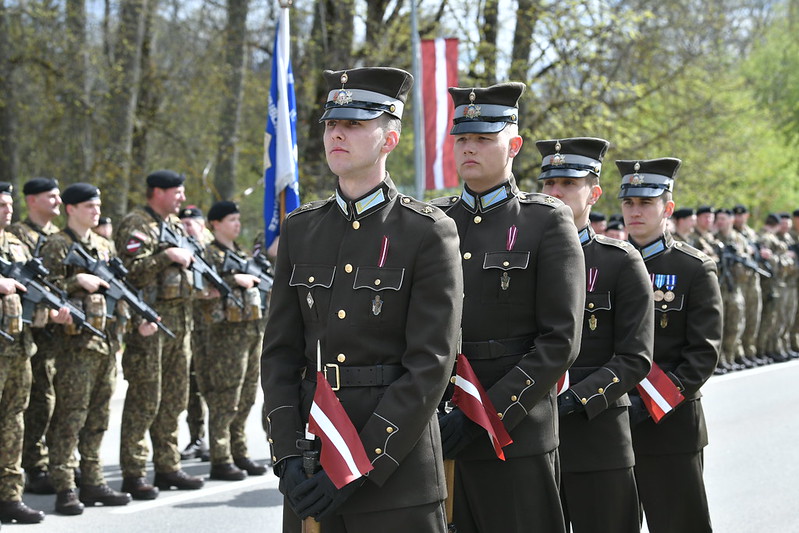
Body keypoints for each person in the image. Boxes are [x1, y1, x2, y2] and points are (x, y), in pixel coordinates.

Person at [262, 66, 463, 533]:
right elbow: (280, 354)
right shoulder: (301, 228)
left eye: (353, 124)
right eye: (332, 123)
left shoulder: (427, 231)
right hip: (312, 461)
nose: (337, 133)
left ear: (389, 139)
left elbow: (431, 363)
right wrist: (286, 454)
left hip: (395, 471)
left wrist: (360, 462)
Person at [430, 83, 584, 533]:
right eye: (462, 138)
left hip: (515, 430)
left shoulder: (546, 220)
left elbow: (560, 341)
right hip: (440, 428)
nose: (468, 148)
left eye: (483, 138)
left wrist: (485, 414)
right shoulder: (434, 221)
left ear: (513, 146)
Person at [537, 137, 653, 533]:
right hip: (532, 437)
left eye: (569, 183)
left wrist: (575, 399)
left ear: (594, 193)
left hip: (597, 435)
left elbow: (635, 357)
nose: (556, 192)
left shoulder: (620, 262)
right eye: (549, 183)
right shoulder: (524, 259)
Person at [618, 158, 722, 533]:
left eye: (646, 203)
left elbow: (702, 354)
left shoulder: (694, 268)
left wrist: (650, 401)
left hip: (670, 425)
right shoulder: (605, 262)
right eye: (629, 203)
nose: (635, 211)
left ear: (668, 208)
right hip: (610, 423)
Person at [41, 183, 157, 515]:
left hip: (106, 343)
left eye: (98, 205)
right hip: (74, 346)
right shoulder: (57, 244)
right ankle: (65, 486)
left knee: (98, 417)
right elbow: (44, 288)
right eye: (89, 206)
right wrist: (75, 282)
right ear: (71, 209)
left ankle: (93, 480)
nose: (96, 211)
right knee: (70, 417)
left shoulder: (104, 245)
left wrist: (139, 321)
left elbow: (120, 290)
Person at [115, 170, 204, 500]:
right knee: (145, 400)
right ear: (158, 192)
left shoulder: (174, 226)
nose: (182, 198)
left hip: (180, 326)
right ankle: (134, 472)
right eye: (177, 192)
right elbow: (128, 274)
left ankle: (168, 465)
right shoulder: (137, 225)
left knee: (174, 399)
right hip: (150, 326)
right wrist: (165, 256)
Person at [0, 182, 70, 524]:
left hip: (19, 347)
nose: (8, 210)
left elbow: (32, 290)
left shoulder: (14, 244)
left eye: (9, 204)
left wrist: (52, 311)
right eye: (1, 204)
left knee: (14, 420)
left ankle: (10, 496)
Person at [195, 200, 267, 480]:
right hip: (224, 337)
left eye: (238, 219)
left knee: (246, 397)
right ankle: (221, 457)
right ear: (216, 224)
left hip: (250, 332)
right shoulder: (208, 254)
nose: (237, 224)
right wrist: (234, 279)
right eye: (231, 220)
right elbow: (200, 289)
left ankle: (239, 451)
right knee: (226, 397)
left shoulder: (240, 253)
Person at [178, 206, 210, 463]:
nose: (186, 227)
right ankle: (197, 437)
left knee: (215, 387)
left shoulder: (213, 248)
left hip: (214, 330)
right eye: (183, 223)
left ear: (203, 225)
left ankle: (221, 440)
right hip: (190, 327)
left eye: (191, 223)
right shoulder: (181, 248)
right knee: (192, 387)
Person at [732, 204, 767, 366]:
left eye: (742, 215)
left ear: (747, 216)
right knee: (740, 318)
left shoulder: (751, 233)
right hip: (740, 281)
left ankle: (749, 351)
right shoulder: (732, 234)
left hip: (754, 280)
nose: (739, 218)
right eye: (736, 215)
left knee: (754, 316)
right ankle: (737, 353)